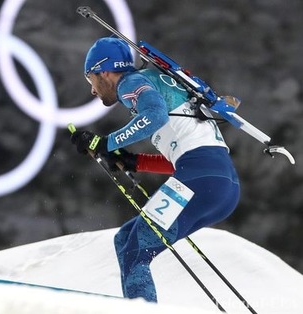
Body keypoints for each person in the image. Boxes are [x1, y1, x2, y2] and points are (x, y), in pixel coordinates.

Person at [70, 37, 240, 302]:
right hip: (223, 187)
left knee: (135, 252)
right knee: (126, 239)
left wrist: (104, 143)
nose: (92, 89)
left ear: (104, 71)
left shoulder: (131, 82)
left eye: (89, 78)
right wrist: (134, 162)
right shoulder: (158, 81)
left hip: (200, 181)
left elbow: (155, 116)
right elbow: (186, 154)